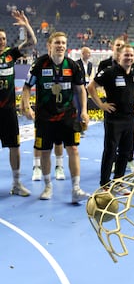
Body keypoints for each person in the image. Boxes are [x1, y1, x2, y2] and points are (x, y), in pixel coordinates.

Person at [21, 32, 90, 203]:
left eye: (63, 43)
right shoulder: (39, 64)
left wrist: (84, 111)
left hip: (68, 116)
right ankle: (47, 186)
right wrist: (27, 106)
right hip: (45, 117)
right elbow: (27, 87)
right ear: (49, 45)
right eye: (57, 42)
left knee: (73, 149)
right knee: (45, 152)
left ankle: (76, 188)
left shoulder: (73, 66)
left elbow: (81, 89)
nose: (60, 45)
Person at [87, 44, 134, 189]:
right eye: (126, 55)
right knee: (110, 151)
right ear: (119, 56)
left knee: (125, 152)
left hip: (130, 118)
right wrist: (101, 105)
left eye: (131, 55)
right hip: (114, 119)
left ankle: (119, 182)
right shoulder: (109, 72)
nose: (129, 58)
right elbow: (90, 87)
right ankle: (105, 183)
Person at [0, 10, 37, 197]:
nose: (1, 41)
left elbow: (32, 43)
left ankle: (16, 183)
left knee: (15, 147)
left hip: (7, 111)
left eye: (4, 38)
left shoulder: (10, 54)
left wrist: (26, 25)